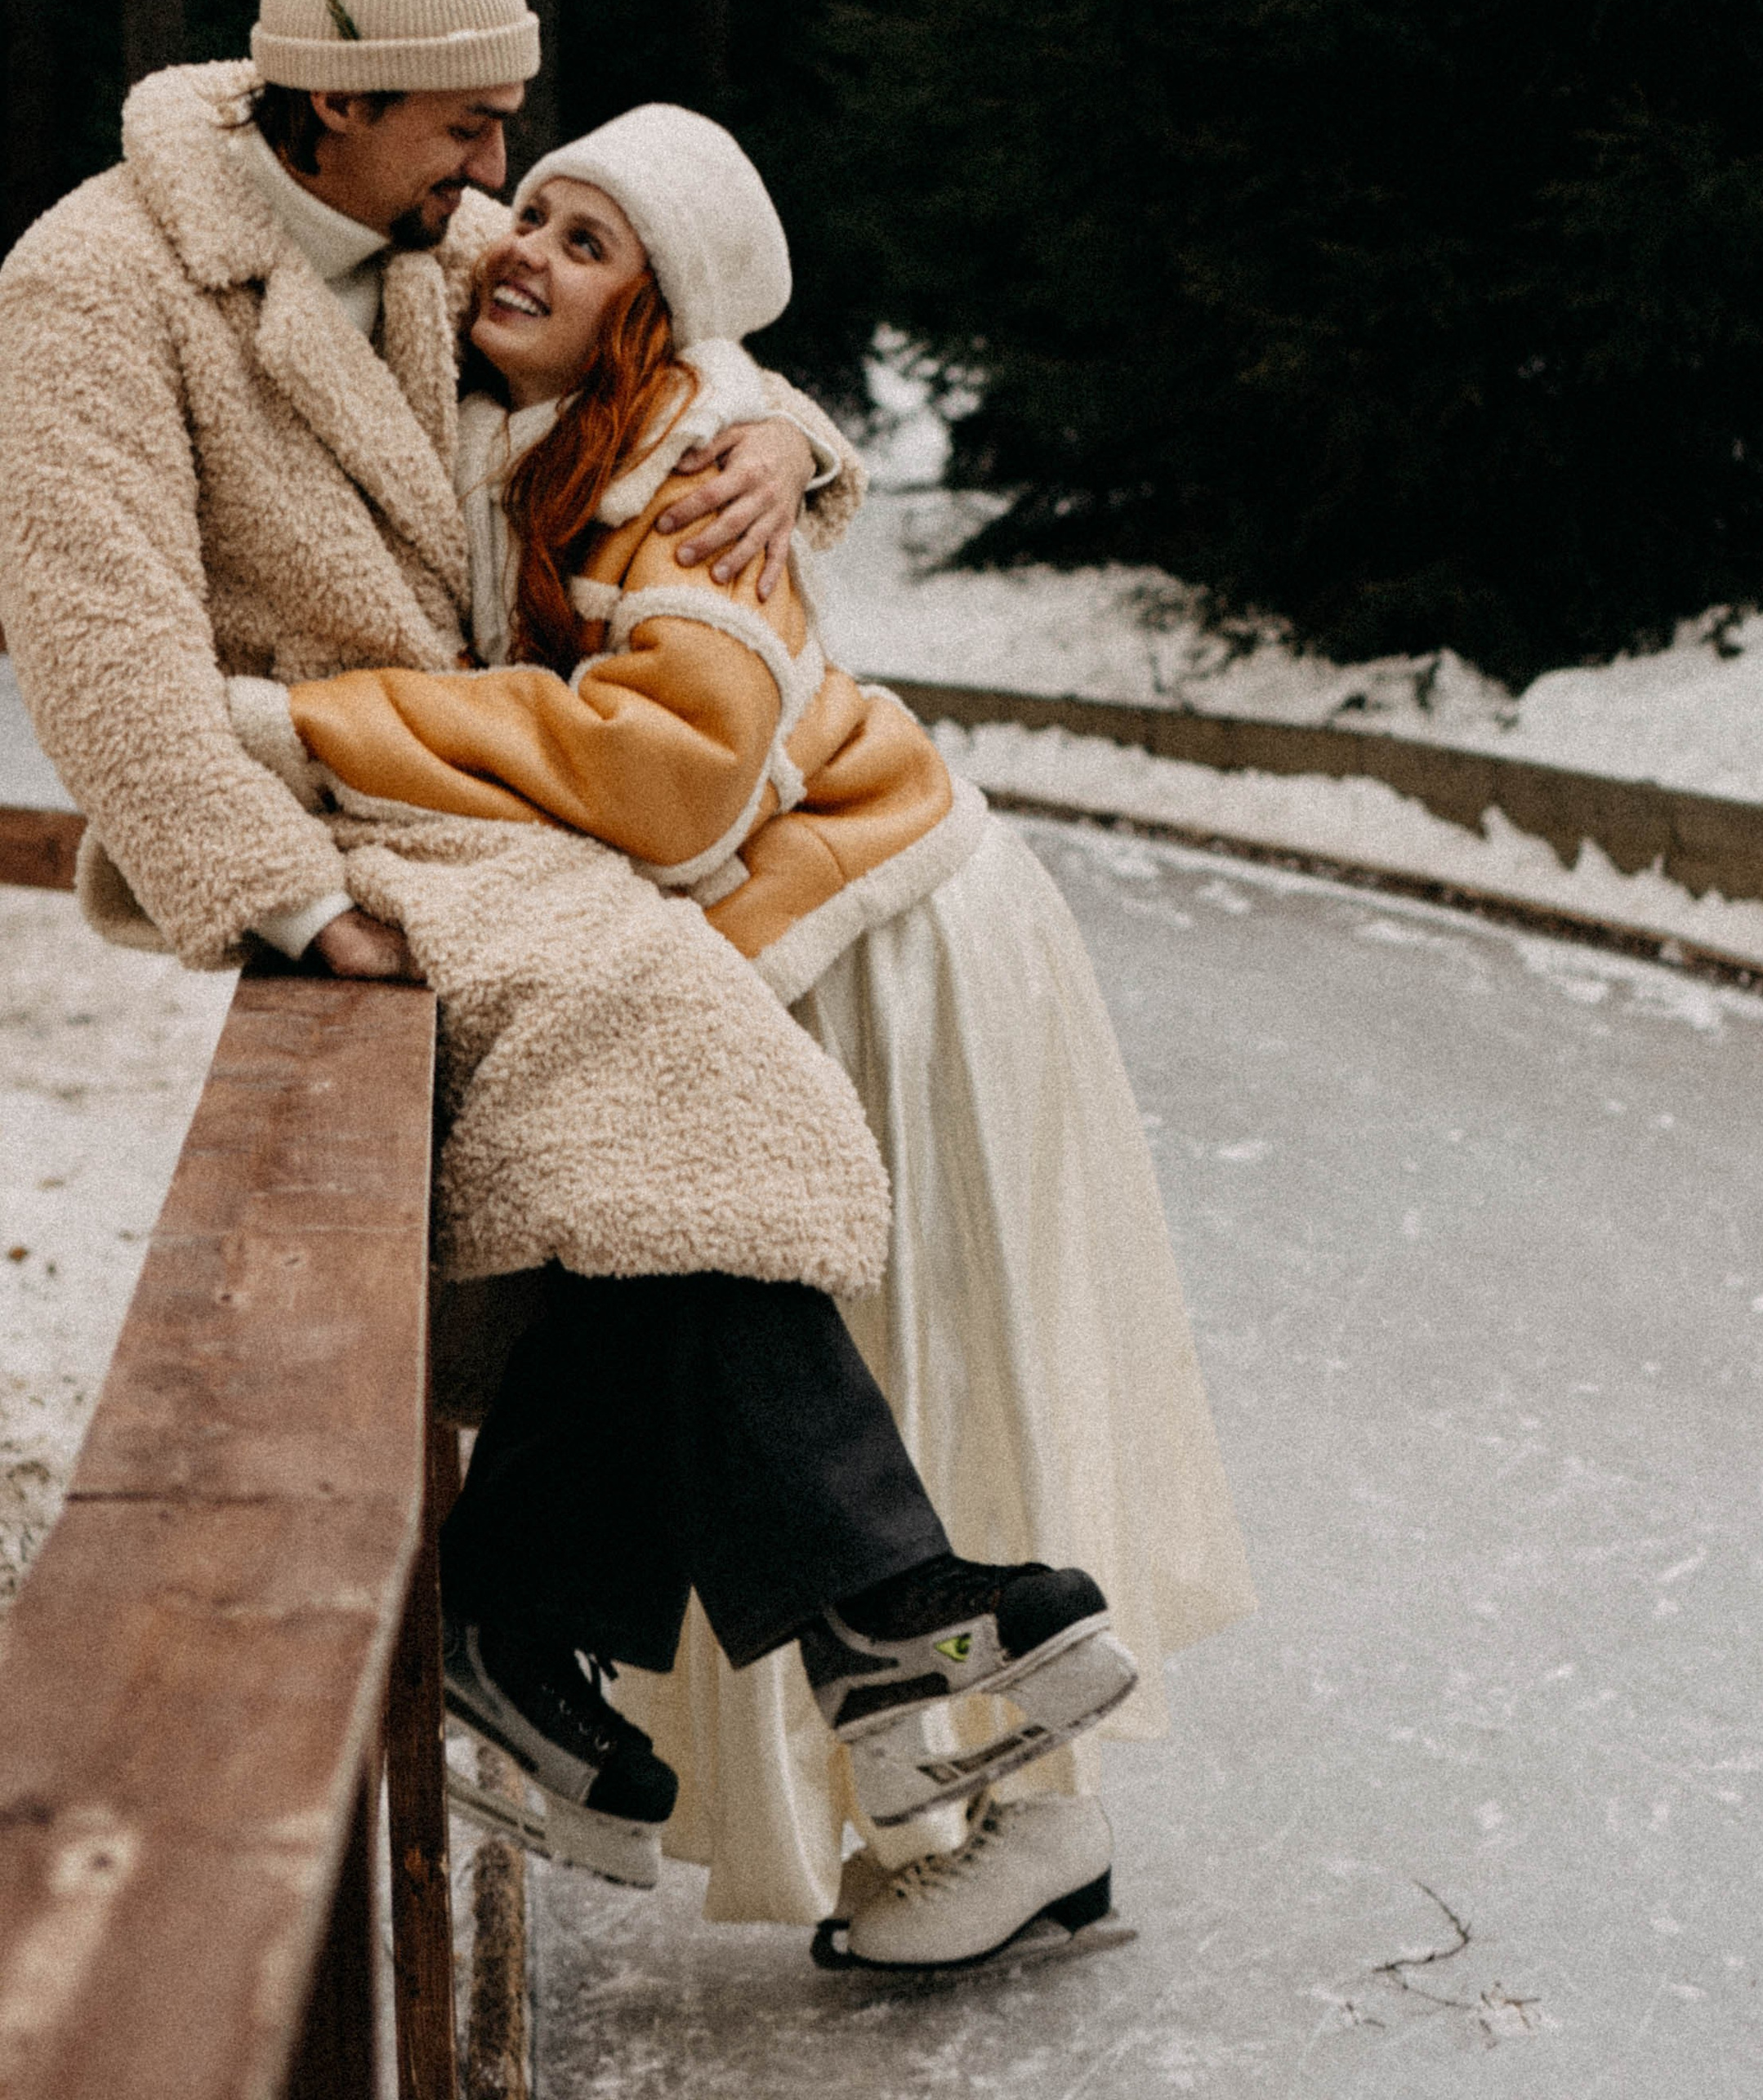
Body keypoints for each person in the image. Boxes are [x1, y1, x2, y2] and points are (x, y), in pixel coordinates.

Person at [0, 0, 1135, 1946]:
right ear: (336, 101)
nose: (496, 177)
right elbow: (96, 652)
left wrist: (788, 443)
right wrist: (277, 902)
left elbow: (665, 344)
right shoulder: (96, 282)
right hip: (340, 820)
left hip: (498, 810)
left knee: (648, 1137)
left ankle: (599, 1633)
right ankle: (857, 1622)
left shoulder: (429, 239)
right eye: (467, 126)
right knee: (669, 1073)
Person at [267, 100, 1255, 1969]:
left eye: (586, 241)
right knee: (680, 1247)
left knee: (910, 1342)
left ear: (654, 313)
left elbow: (675, 781)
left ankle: (1019, 1812)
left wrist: (327, 723)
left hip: (885, 932)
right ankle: (623, 1639)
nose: (520, 247)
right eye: (528, 208)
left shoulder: (688, 457)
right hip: (778, 931)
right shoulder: (560, 408)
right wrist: (801, 432)